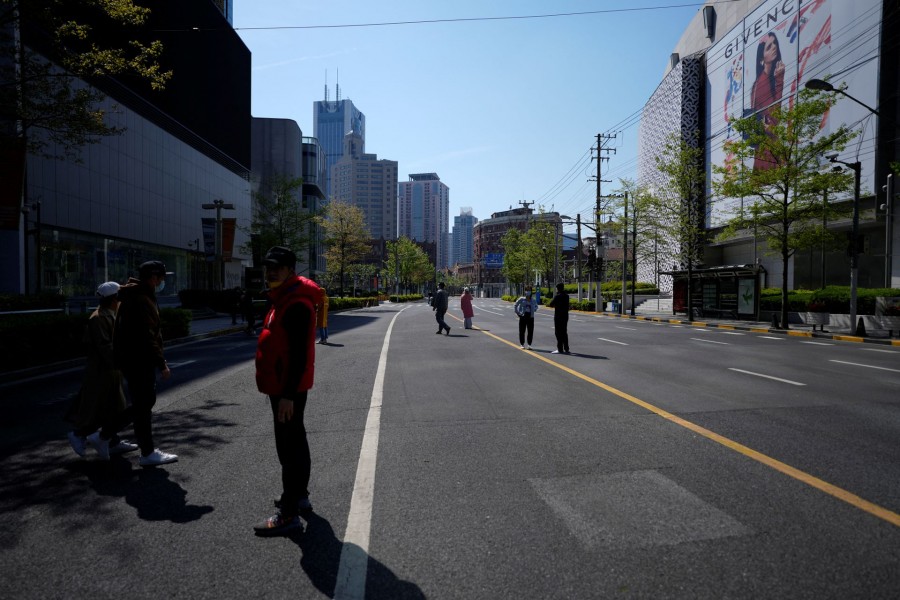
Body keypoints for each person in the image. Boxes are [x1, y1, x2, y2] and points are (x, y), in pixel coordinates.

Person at [253, 246, 321, 536]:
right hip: (283, 387)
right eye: (268, 267)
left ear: (291, 270)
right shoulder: (284, 298)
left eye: (277, 267)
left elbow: (297, 357)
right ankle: (299, 494)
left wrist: (287, 396)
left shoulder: (295, 303)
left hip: (286, 389)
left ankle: (289, 512)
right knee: (296, 440)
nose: (271, 272)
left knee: (288, 447)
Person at [114, 260, 177, 467]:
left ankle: (106, 436)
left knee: (142, 405)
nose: (162, 282)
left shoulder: (136, 295)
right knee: (144, 404)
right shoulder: (141, 299)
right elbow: (147, 335)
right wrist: (161, 363)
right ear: (153, 278)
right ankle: (103, 433)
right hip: (140, 359)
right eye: (161, 278)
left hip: (133, 359)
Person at [65, 282, 139, 459]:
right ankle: (78, 434)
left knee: (114, 409)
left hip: (112, 370)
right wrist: (125, 361)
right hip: (101, 371)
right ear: (114, 298)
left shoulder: (112, 314)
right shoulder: (98, 318)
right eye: (120, 297)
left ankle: (112, 440)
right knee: (98, 408)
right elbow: (105, 347)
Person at [750, 31, 784, 172]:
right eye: (769, 47)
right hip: (768, 150)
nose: (774, 47)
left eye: (775, 43)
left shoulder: (766, 79)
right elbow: (775, 115)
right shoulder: (762, 82)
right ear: (762, 58)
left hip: (768, 148)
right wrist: (780, 80)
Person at [548, 283, 570, 354]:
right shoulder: (567, 296)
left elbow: (551, 304)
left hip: (558, 316)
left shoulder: (557, 297)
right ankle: (566, 348)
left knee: (558, 333)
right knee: (564, 332)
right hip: (565, 316)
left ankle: (560, 349)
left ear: (558, 289)